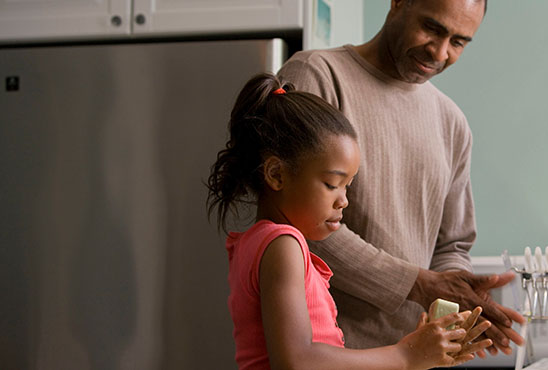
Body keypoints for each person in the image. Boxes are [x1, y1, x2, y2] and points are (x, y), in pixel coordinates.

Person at [277, 0, 525, 356]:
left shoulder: (451, 122)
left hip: (414, 359)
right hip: (328, 356)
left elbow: (452, 245)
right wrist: (418, 284)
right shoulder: (317, 75)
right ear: (398, 4)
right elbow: (296, 220)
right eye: (432, 28)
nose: (440, 52)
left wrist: (459, 296)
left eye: (458, 42)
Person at [206, 73, 492, 369]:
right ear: (276, 174)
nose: (343, 200)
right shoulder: (282, 245)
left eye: (347, 186)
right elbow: (297, 360)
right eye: (332, 184)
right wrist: (406, 355)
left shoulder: (261, 243)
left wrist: (419, 350)